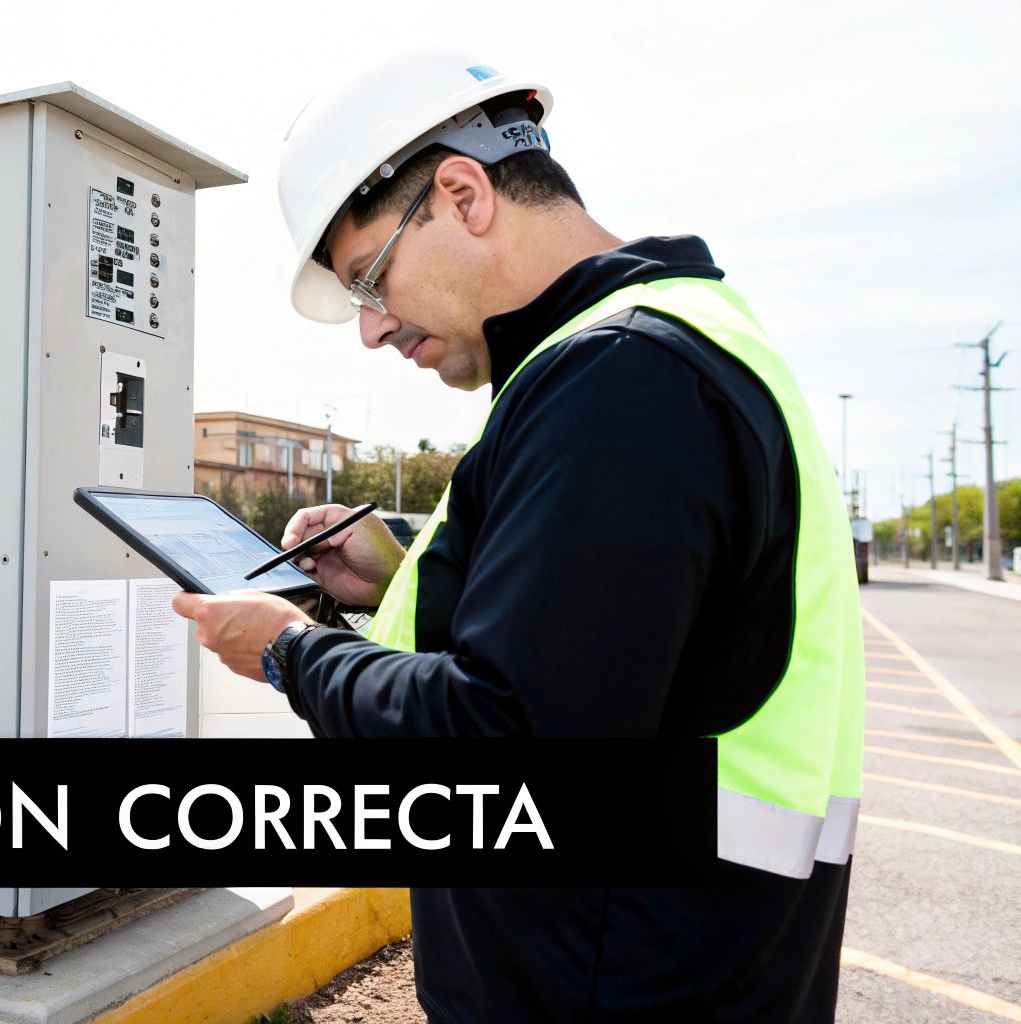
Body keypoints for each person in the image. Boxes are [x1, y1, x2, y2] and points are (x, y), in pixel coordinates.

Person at [171, 48, 864, 1022]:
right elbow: (619, 646)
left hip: (612, 984)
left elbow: (503, 735)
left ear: (462, 195)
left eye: (369, 279)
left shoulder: (619, 383)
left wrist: (290, 653)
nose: (370, 330)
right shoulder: (672, 342)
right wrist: (400, 583)